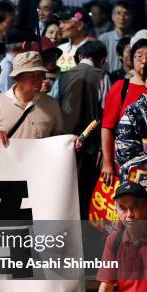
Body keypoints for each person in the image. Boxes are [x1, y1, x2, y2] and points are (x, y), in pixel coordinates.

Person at [100, 39, 147, 185]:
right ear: (131, 60)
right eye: (139, 56)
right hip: (130, 164)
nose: (144, 60)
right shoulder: (121, 87)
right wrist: (107, 163)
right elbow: (107, 127)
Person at [58, 41, 109, 216]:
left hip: (64, 140)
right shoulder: (101, 75)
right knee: (86, 190)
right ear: (102, 60)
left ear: (79, 56)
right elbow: (106, 111)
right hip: (91, 143)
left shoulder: (63, 76)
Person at [0, 51, 63, 144]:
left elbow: (59, 135)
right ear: (16, 78)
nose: (37, 80)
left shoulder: (51, 104)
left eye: (39, 75)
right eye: (31, 76)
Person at [99, 1, 133, 73]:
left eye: (126, 14)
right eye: (118, 13)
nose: (122, 18)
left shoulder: (135, 39)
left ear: (131, 17)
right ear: (112, 17)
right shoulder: (104, 39)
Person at [56, 7, 90, 73]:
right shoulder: (60, 49)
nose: (60, 26)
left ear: (79, 25)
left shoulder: (91, 50)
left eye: (65, 22)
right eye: (60, 22)